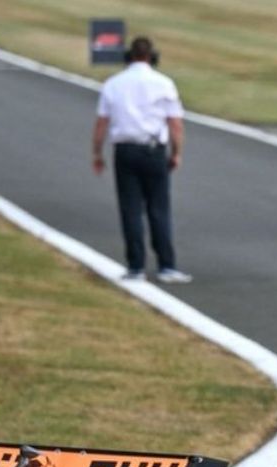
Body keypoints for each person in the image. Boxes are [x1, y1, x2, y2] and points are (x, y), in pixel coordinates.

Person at [92, 36, 192, 284]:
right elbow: (175, 123)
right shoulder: (164, 83)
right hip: (153, 150)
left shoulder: (114, 83)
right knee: (159, 209)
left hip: (125, 151)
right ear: (152, 57)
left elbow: (102, 123)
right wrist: (176, 153)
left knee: (131, 209)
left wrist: (97, 153)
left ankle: (135, 266)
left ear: (129, 56)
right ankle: (166, 266)